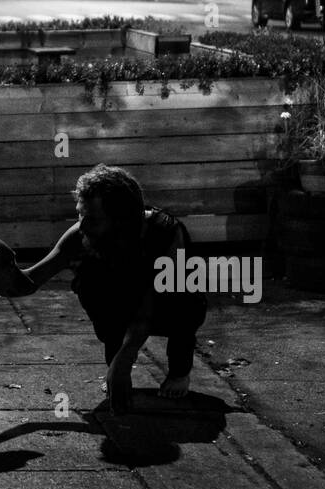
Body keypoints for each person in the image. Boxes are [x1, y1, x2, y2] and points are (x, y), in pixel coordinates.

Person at [21, 165, 203, 412]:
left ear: (121, 220)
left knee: (185, 296)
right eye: (79, 215)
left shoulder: (168, 233)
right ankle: (114, 363)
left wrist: (126, 359)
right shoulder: (81, 234)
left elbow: (148, 310)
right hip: (123, 297)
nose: (82, 225)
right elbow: (30, 280)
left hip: (163, 303)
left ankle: (179, 370)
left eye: (93, 219)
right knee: (91, 280)